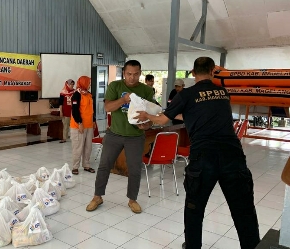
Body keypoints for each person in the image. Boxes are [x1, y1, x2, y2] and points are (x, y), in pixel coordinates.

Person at [135, 57, 260, 249]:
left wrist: (146, 115)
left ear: (193, 73)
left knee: (195, 207)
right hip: (232, 155)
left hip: (204, 157)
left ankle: (193, 246)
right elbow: (198, 113)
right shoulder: (223, 92)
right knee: (243, 209)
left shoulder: (186, 94)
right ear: (212, 71)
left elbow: (161, 121)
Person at [86, 60, 154, 214]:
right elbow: (108, 107)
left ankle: (132, 200)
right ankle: (97, 197)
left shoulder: (146, 91)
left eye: (136, 74)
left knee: (135, 169)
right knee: (104, 166)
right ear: (124, 73)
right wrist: (124, 99)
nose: (132, 77)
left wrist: (146, 125)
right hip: (114, 134)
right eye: (129, 74)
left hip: (136, 136)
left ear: (140, 73)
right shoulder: (115, 86)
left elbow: (151, 115)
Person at [70, 76, 96, 175]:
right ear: (83, 83)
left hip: (89, 125)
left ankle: (86, 165)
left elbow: (92, 110)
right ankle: (75, 167)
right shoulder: (76, 95)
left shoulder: (89, 95)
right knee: (78, 147)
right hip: (78, 126)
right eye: (88, 83)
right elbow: (75, 111)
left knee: (88, 147)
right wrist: (80, 123)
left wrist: (93, 121)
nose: (89, 85)